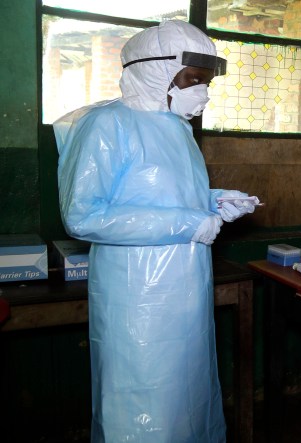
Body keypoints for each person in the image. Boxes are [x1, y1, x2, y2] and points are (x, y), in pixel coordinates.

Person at [54, 20, 257, 442]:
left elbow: (166, 193)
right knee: (142, 404)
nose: (202, 92)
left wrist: (215, 202)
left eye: (207, 83)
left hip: (187, 290)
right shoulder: (107, 126)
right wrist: (188, 222)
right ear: (155, 71)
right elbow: (84, 215)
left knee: (190, 395)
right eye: (194, 80)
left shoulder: (178, 129)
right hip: (138, 302)